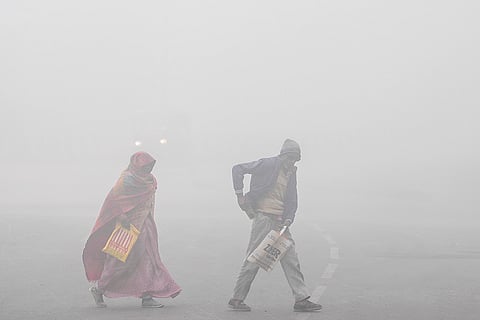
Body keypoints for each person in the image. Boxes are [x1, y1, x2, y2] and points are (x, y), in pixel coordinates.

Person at [228, 139, 322, 312]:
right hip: (264, 218)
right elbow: (238, 169)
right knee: (254, 258)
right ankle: (237, 299)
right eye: (290, 158)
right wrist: (239, 194)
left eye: (295, 159)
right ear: (283, 156)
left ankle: (301, 298)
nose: (292, 162)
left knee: (291, 259)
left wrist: (289, 218)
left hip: (280, 222)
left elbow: (292, 199)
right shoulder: (267, 164)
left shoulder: (291, 172)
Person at [82, 151, 181, 308]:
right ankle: (99, 288)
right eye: (144, 166)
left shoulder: (150, 180)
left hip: (146, 225)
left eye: (149, 166)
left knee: (149, 259)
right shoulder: (126, 179)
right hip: (128, 227)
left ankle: (147, 296)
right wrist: (121, 216)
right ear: (135, 165)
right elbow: (114, 200)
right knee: (120, 262)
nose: (147, 169)